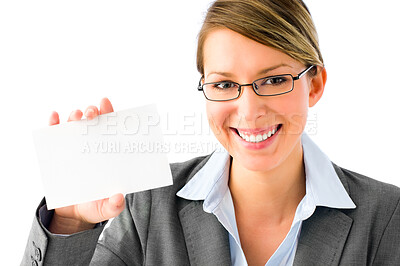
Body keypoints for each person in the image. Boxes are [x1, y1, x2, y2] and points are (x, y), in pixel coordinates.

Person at [22, 0, 400, 265]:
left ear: (314, 85)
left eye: (274, 80)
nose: (250, 111)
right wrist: (71, 225)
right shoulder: (148, 206)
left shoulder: (387, 216)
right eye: (223, 85)